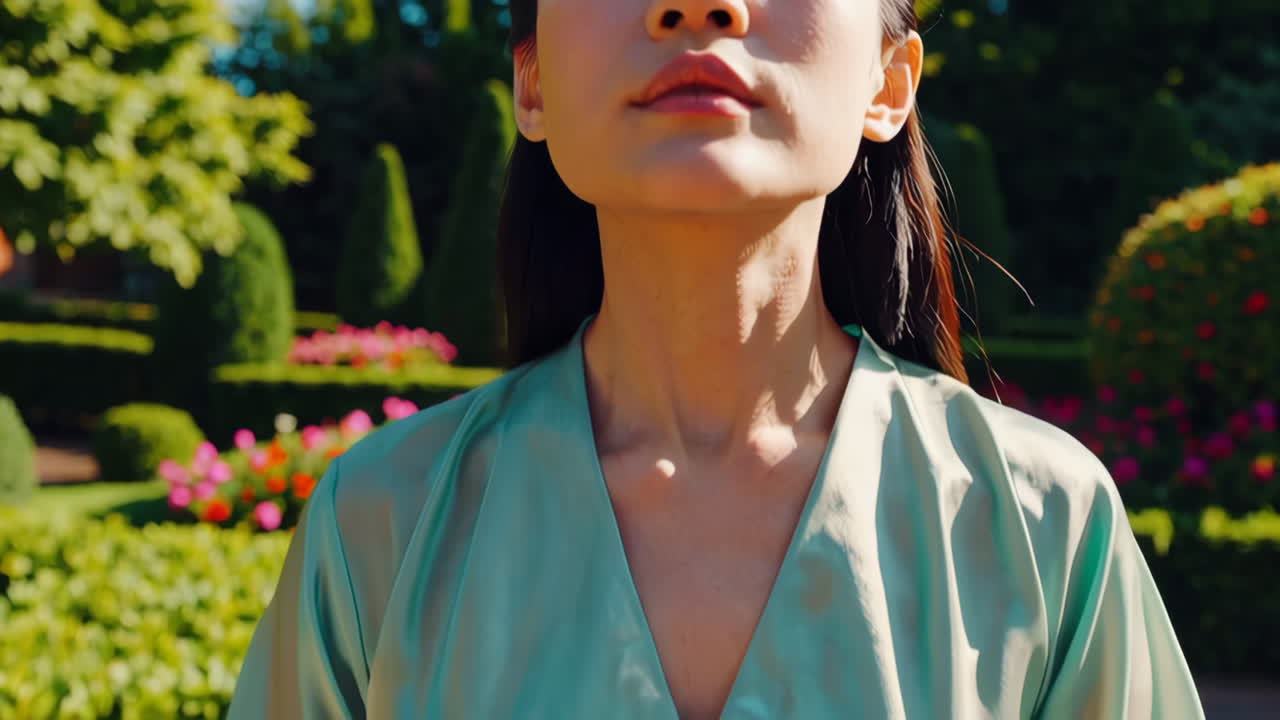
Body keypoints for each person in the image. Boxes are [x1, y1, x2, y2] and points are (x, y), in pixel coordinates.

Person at [227, 0, 1206, 717]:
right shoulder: (379, 525)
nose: (699, 6)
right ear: (531, 85)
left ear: (887, 83)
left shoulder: (1041, 522)